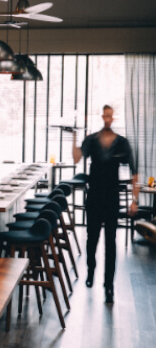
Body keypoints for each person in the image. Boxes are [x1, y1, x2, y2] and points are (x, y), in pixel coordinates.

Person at [72, 105, 139, 303]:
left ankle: (108, 285)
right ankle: (91, 271)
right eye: (105, 115)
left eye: (110, 115)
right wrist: (75, 137)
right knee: (91, 240)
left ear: (113, 117)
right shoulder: (92, 140)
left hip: (111, 199)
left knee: (111, 243)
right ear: (102, 116)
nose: (108, 118)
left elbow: (135, 172)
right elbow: (77, 158)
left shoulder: (122, 143)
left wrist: (134, 201)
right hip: (93, 198)